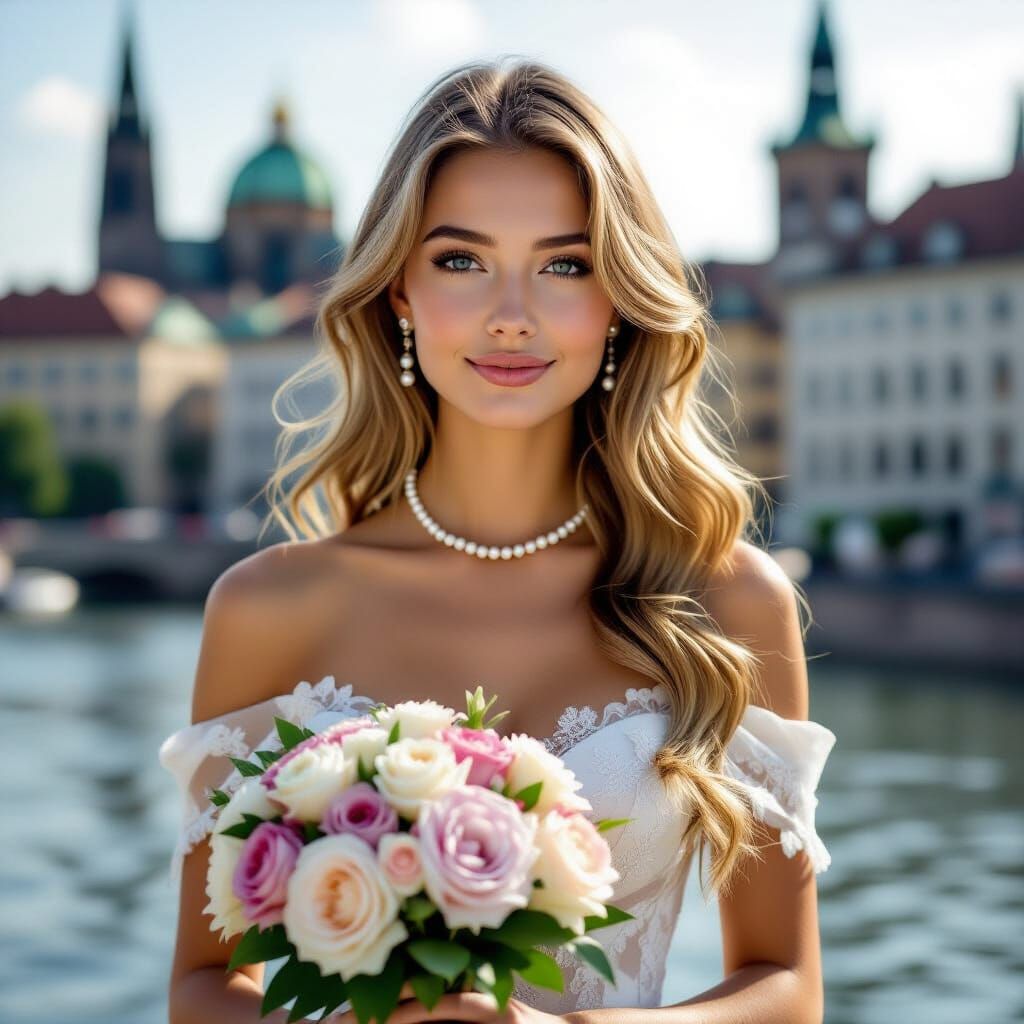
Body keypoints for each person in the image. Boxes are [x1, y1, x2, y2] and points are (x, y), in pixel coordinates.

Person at [160, 57, 836, 1023]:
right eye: (460, 260)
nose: (511, 314)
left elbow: (788, 988)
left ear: (619, 299)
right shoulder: (269, 606)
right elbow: (200, 986)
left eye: (565, 264)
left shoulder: (727, 601)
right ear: (397, 287)